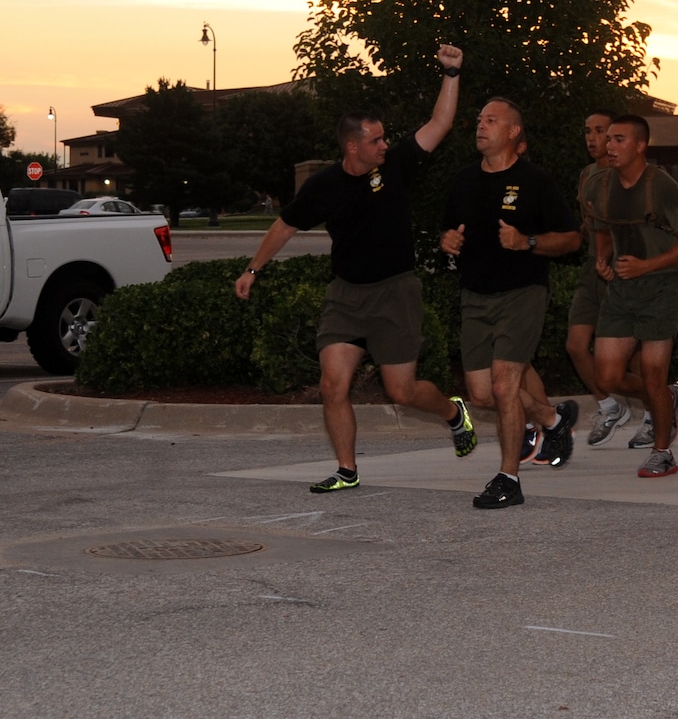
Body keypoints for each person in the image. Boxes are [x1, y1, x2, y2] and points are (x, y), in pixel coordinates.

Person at [234, 45, 470, 492]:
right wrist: (253, 269)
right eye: (376, 140)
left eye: (385, 138)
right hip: (346, 294)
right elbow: (285, 226)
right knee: (332, 385)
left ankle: (453, 412)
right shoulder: (324, 186)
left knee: (402, 391)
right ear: (353, 145)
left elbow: (440, 124)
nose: (385, 144)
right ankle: (347, 471)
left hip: (395, 291)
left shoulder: (396, 164)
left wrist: (452, 73)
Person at [441, 98, 584, 509]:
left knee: (505, 387)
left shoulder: (534, 181)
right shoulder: (464, 181)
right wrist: (447, 241)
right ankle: (554, 421)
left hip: (522, 292)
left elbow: (572, 238)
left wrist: (528, 242)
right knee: (482, 394)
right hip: (475, 296)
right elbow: (449, 231)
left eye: (492, 120)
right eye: (480, 119)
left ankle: (509, 479)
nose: (481, 126)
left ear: (514, 131)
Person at [584, 114, 678, 478]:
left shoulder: (660, 186)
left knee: (652, 374)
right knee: (608, 377)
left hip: (661, 287)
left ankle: (662, 452)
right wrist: (603, 260)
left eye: (619, 139)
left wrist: (646, 267)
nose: (610, 146)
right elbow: (602, 231)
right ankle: (668, 396)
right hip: (622, 289)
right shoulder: (600, 186)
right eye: (609, 139)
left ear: (640, 146)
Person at [565, 108, 637, 447]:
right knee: (576, 345)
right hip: (591, 271)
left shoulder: (630, 175)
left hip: (622, 273)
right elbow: (589, 223)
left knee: (630, 356)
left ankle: (658, 408)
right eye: (588, 131)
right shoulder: (587, 174)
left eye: (601, 132)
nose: (593, 139)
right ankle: (610, 407)